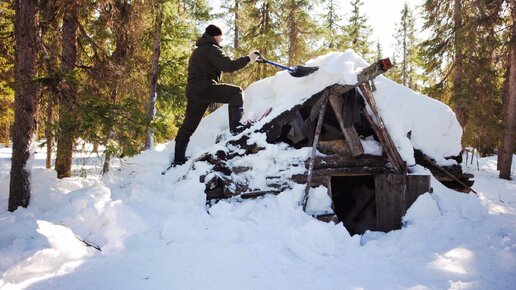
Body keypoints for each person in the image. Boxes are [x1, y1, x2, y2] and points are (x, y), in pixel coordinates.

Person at [172, 24, 260, 166]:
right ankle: (236, 128)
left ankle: (178, 159)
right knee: (236, 92)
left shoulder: (198, 51)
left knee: (188, 126)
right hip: (205, 88)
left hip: (194, 91)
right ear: (215, 36)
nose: (221, 40)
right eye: (221, 37)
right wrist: (249, 58)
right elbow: (228, 65)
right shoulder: (211, 48)